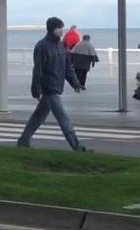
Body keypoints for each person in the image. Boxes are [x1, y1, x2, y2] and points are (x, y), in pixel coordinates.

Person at [17, 17, 87, 152]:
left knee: (37, 117)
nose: (62, 30)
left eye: (62, 27)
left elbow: (67, 68)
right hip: (49, 88)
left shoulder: (61, 46)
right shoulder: (42, 46)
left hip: (56, 86)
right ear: (52, 29)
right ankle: (77, 147)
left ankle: (23, 141)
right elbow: (38, 69)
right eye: (59, 27)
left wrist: (76, 83)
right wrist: (36, 88)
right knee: (63, 118)